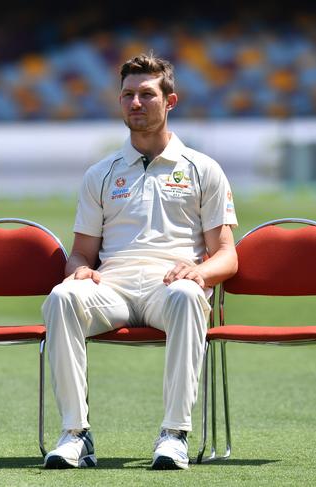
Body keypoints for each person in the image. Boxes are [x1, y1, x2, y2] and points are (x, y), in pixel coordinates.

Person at [42, 53, 238, 470]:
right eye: (128, 95)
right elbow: (81, 251)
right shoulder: (101, 173)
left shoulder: (203, 169)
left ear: (170, 101)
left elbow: (227, 255)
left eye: (146, 94)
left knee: (189, 295)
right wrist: (77, 269)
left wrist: (199, 272)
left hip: (169, 285)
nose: (135, 103)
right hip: (111, 287)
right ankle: (75, 435)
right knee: (61, 297)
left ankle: (174, 435)